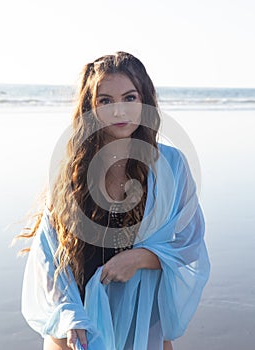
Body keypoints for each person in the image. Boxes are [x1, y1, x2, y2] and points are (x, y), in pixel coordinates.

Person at [19, 51, 210, 350]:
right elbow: (49, 252)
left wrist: (139, 258)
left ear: (145, 101)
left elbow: (190, 242)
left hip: (142, 318)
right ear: (91, 108)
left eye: (129, 98)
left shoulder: (171, 165)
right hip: (77, 321)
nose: (119, 111)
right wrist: (70, 316)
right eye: (105, 101)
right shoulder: (72, 169)